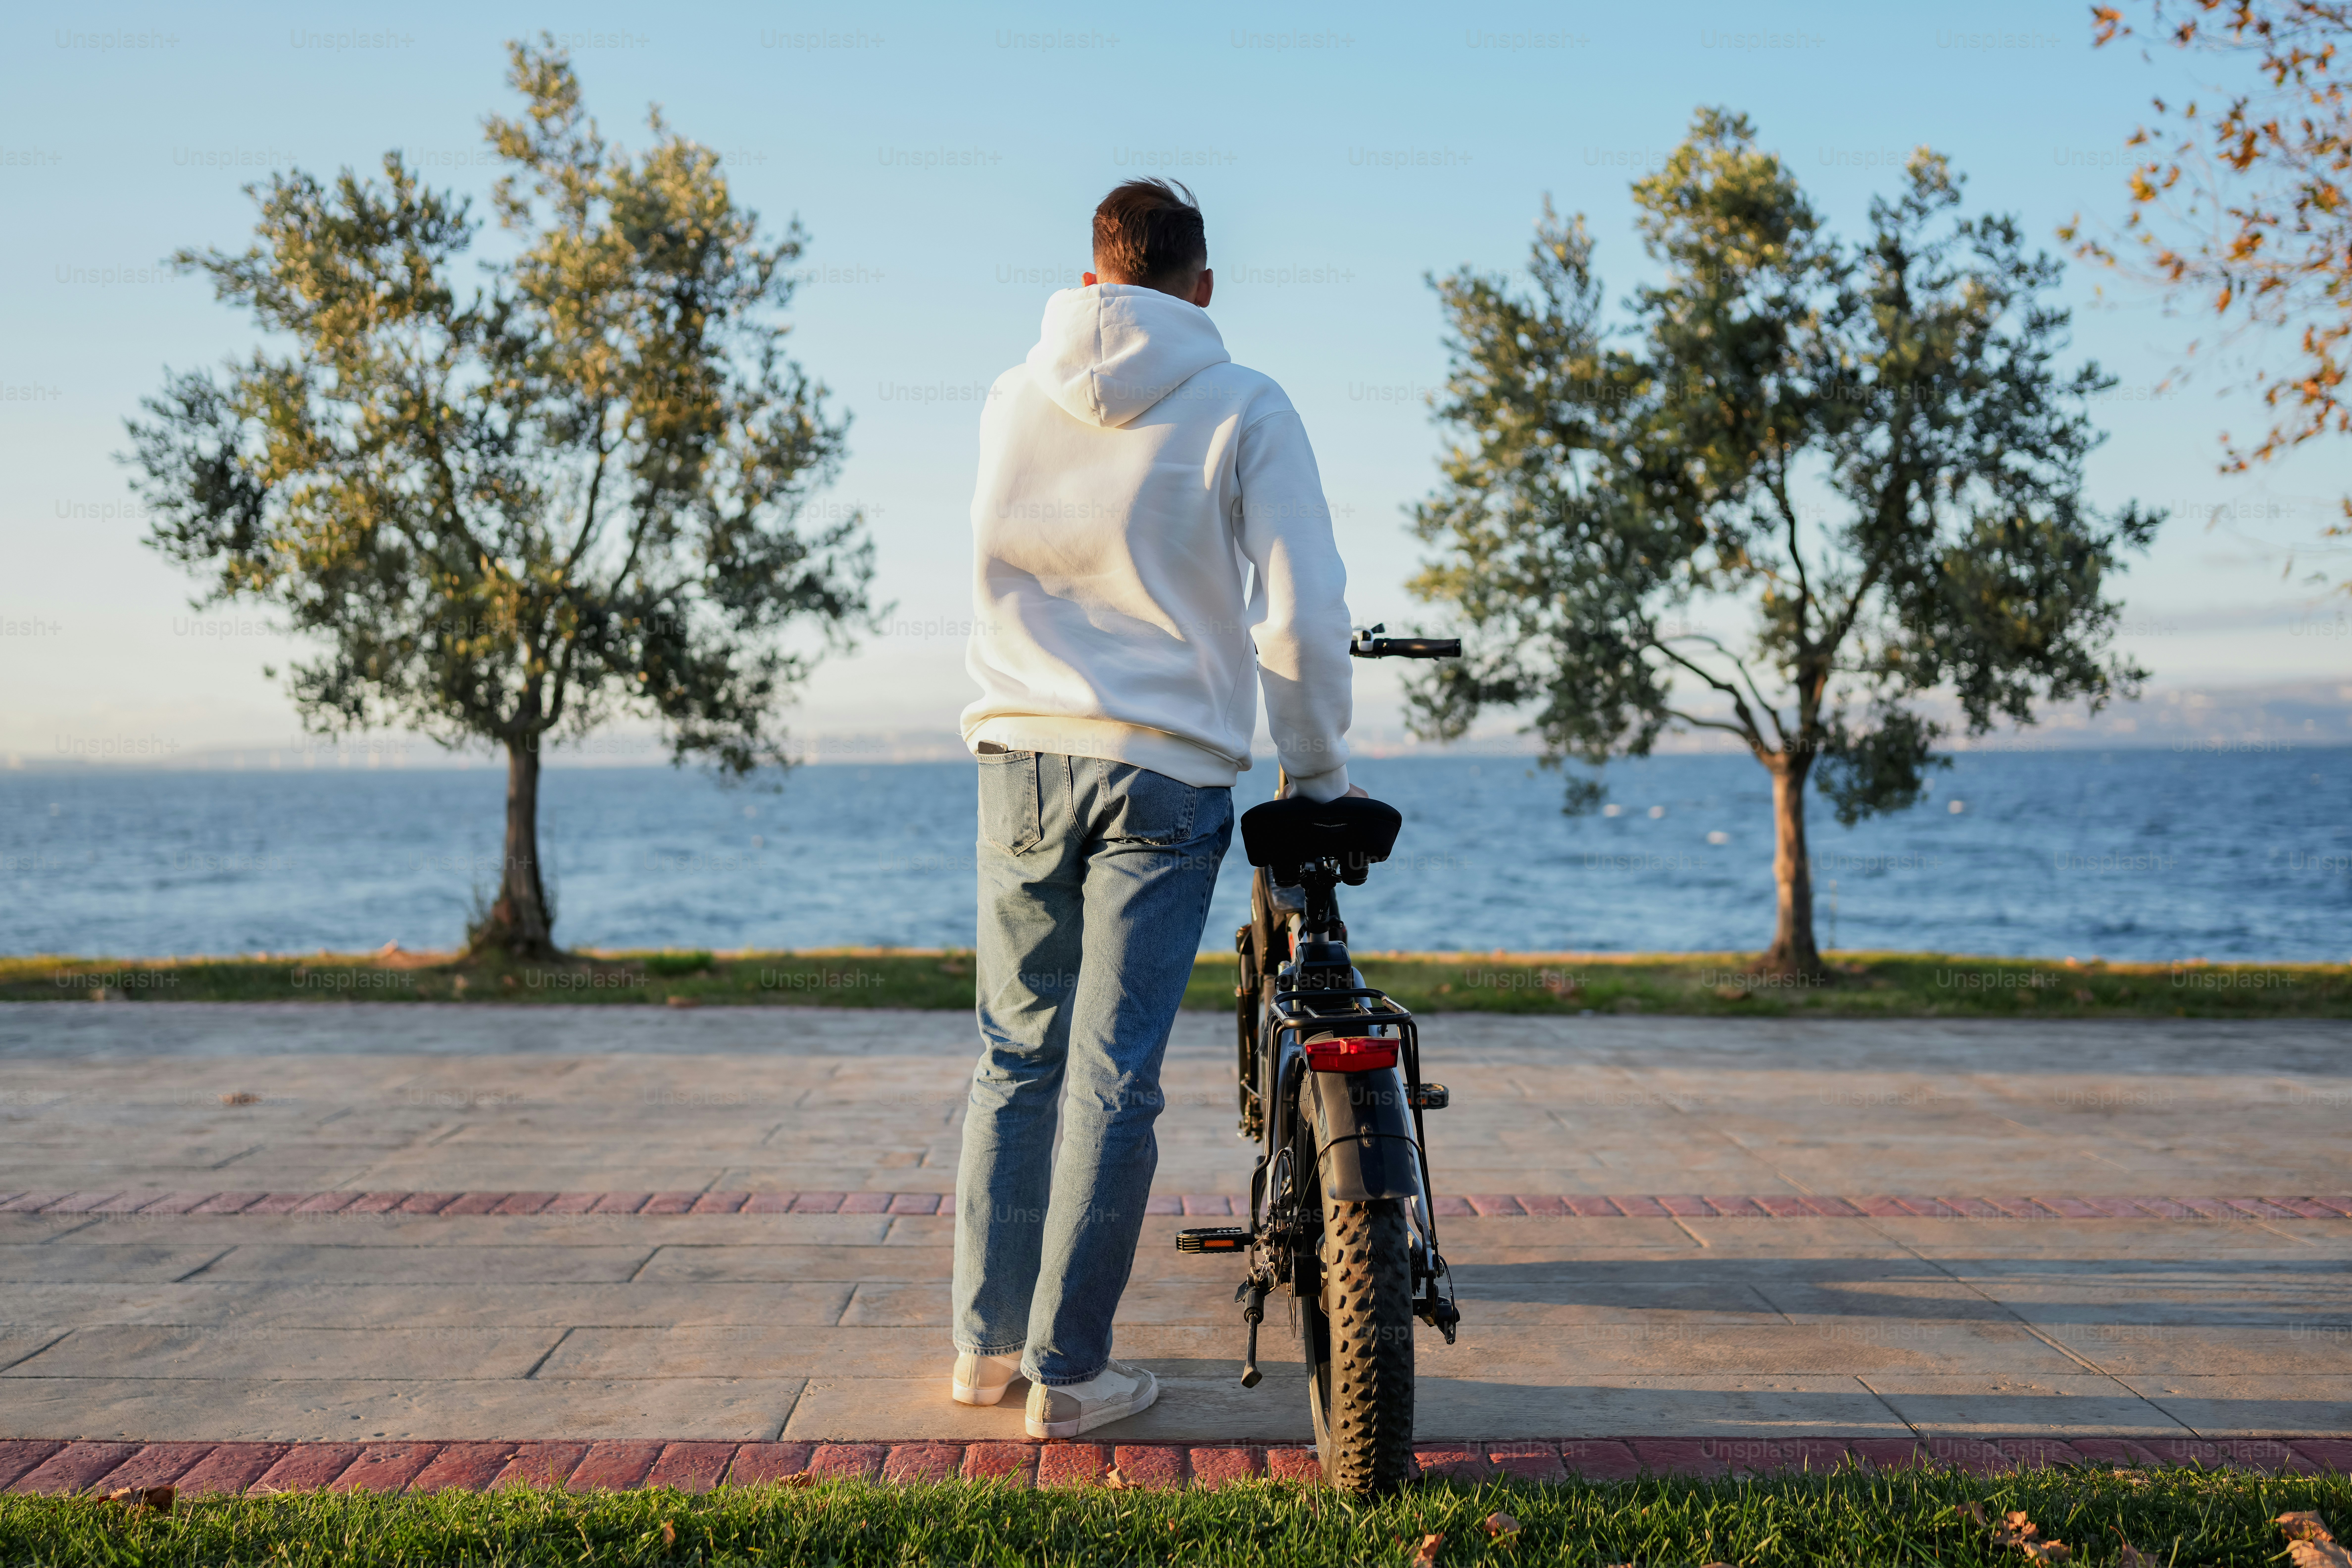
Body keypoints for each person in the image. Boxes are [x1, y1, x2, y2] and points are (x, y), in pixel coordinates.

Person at [950, 177, 1359, 1438]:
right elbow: (1300, 613)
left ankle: (982, 1351)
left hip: (1018, 747)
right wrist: (1316, 772)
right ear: (1203, 287)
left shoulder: (1013, 394)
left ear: (1090, 280)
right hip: (1167, 770)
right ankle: (1070, 1373)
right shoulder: (1247, 401)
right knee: (1113, 1074)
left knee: (1014, 1051)